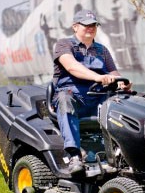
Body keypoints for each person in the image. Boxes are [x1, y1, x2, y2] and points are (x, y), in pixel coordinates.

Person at [52, 9, 131, 174]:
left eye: (94, 25)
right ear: (75, 26)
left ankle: (128, 153)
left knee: (134, 102)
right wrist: (98, 77)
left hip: (99, 99)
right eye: (86, 25)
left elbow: (115, 74)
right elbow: (72, 67)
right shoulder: (64, 45)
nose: (91, 28)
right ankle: (74, 156)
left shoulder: (102, 50)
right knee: (65, 99)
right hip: (74, 97)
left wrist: (123, 83)